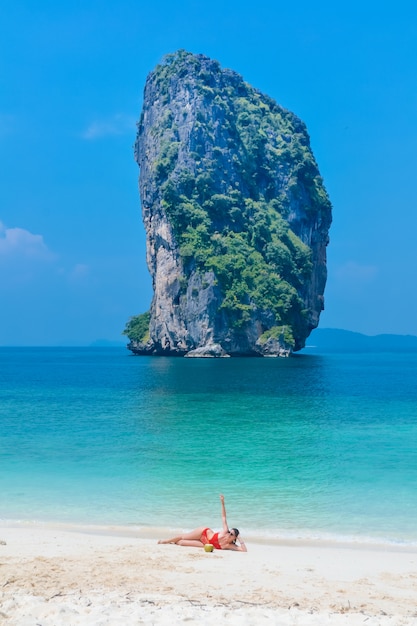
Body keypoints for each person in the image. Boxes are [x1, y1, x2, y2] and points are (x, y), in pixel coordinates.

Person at [157, 494, 247, 551]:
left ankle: (172, 541)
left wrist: (240, 538)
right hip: (203, 533)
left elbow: (244, 550)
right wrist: (222, 503)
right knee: (183, 537)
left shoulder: (230, 546)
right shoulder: (225, 531)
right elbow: (223, 517)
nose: (229, 534)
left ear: (234, 537)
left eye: (231, 534)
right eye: (229, 532)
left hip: (205, 544)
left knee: (181, 543)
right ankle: (165, 541)